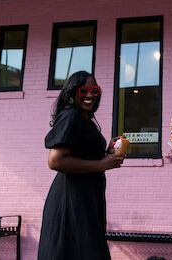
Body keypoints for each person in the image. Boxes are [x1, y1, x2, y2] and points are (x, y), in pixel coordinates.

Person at [37, 70, 125, 260]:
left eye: (94, 90)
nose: (89, 94)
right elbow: (55, 160)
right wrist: (101, 164)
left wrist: (107, 154)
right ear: (72, 92)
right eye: (83, 90)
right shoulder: (71, 116)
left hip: (86, 199)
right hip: (71, 200)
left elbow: (84, 154)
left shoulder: (87, 120)